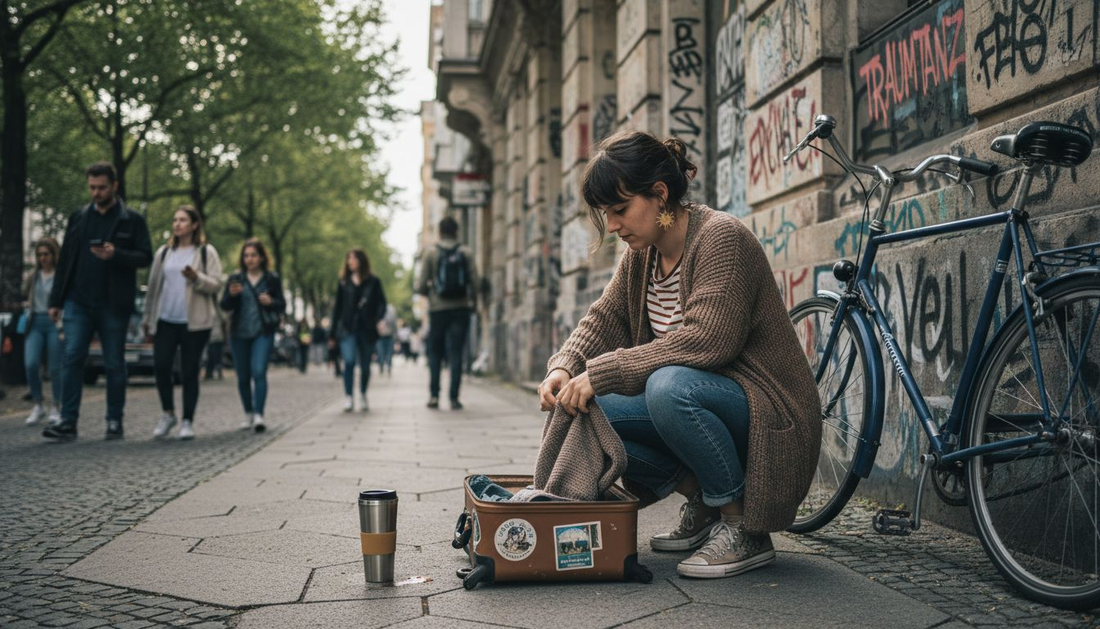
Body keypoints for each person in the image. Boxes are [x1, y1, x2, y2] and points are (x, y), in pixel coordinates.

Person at [537, 131, 820, 579]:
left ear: (660, 194)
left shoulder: (720, 239)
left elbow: (706, 340)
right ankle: (705, 503)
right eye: (605, 214)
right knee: (585, 407)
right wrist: (565, 367)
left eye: (619, 209)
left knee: (667, 386)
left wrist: (604, 371)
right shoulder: (643, 255)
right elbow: (604, 318)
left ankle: (742, 525)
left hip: (770, 412)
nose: (611, 225)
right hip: (707, 405)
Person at [43, 162, 153, 442]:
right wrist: (56, 299)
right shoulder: (78, 217)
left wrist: (116, 254)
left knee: (114, 363)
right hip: (78, 301)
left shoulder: (132, 219)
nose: (96, 192)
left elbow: (145, 257)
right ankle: (68, 422)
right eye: (92, 187)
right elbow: (66, 258)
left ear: (114, 186)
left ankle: (114, 421)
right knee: (72, 358)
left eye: (102, 187)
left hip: (113, 304)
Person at [143, 206, 224, 440]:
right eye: (175, 220)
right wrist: (148, 318)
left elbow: (217, 284)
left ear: (194, 224)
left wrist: (196, 277)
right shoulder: (164, 253)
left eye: (183, 220)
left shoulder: (206, 252)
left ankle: (188, 420)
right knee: (161, 366)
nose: (177, 224)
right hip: (165, 319)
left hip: (195, 322)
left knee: (189, 370)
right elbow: (153, 287)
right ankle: (168, 413)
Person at [220, 238, 286, 433]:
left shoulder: (271, 279)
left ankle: (259, 414)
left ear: (261, 257)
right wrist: (231, 295)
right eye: (246, 255)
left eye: (253, 255)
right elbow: (224, 306)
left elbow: (282, 304)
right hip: (238, 334)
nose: (249, 259)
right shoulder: (236, 278)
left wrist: (271, 301)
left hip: (262, 332)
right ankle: (248, 413)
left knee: (258, 371)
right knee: (242, 376)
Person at [415, 216, 478, 410]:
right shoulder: (465, 252)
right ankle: (454, 398)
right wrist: (472, 302)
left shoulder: (431, 252)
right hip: (460, 308)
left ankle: (434, 396)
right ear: (456, 232)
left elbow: (420, 284)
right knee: (457, 352)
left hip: (438, 309)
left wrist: (432, 293)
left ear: (440, 232)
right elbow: (474, 281)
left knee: (435, 353)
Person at [328, 249, 386, 412]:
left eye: (353, 259)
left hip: (367, 329)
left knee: (366, 365)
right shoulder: (344, 282)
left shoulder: (373, 282)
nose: (349, 262)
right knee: (349, 361)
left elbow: (382, 303)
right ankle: (348, 396)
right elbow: (337, 309)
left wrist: (379, 319)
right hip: (348, 329)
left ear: (361, 261)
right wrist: (332, 333)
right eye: (348, 259)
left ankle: (362, 394)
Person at [22, 237, 63, 426]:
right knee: (31, 363)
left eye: (46, 254)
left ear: (54, 255)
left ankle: (56, 406)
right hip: (35, 322)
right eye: (39, 255)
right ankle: (38, 404)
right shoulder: (33, 276)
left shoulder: (60, 276)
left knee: (55, 367)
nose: (42, 258)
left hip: (54, 323)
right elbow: (25, 294)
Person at [204, 307, 226, 381]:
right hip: (215, 332)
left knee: (213, 349)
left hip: (215, 333)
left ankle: (211, 370)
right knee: (213, 350)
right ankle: (214, 369)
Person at [375, 303, 396, 375]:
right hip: (382, 335)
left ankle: (385, 366)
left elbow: (394, 323)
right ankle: (384, 366)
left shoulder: (388, 309)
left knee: (384, 352)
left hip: (386, 335)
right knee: (384, 352)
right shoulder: (391, 309)